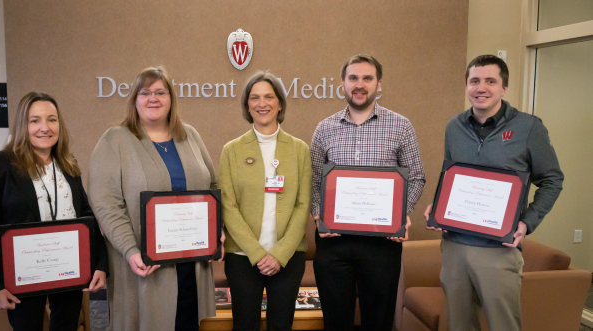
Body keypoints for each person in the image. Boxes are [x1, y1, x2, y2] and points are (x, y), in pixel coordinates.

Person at [424, 55, 564, 331]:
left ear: (504, 88)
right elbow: (450, 175)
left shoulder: (528, 127)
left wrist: (527, 222)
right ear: (467, 85)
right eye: (474, 81)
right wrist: (438, 205)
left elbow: (552, 180)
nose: (481, 88)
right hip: (455, 246)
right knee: (459, 325)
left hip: (498, 251)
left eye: (490, 81)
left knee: (504, 325)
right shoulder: (454, 126)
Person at [88, 66, 220, 331]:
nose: (153, 98)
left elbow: (212, 187)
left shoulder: (189, 135)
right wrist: (130, 250)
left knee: (187, 322)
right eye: (145, 92)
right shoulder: (115, 140)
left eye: (161, 92)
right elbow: (106, 204)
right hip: (142, 267)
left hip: (191, 267)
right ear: (134, 99)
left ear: (171, 98)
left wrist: (216, 233)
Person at [0, 92, 108, 331]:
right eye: (35, 120)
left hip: (69, 271)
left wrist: (100, 263)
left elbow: (87, 219)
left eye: (52, 119)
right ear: (22, 125)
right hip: (24, 277)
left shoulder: (68, 165)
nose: (44, 127)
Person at [310, 54, 426, 330]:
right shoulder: (324, 128)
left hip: (381, 243)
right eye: (353, 78)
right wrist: (318, 215)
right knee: (336, 322)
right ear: (342, 83)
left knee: (379, 321)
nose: (359, 84)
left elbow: (417, 176)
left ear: (379, 84)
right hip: (333, 241)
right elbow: (314, 180)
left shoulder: (401, 126)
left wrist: (402, 212)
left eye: (367, 78)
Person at [219, 71, 311, 331]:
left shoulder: (299, 150)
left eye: (269, 97)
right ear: (247, 105)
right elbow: (228, 206)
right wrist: (258, 254)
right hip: (243, 256)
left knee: (281, 325)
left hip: (288, 256)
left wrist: (279, 254)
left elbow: (302, 205)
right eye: (255, 98)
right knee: (245, 325)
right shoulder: (232, 150)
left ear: (280, 103)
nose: (263, 103)